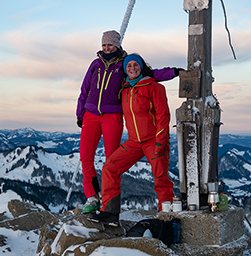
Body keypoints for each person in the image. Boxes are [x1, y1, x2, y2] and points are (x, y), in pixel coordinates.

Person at [76, 31, 181, 214]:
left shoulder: (131, 74)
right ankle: (100, 204)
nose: (107, 48)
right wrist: (80, 113)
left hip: (119, 121)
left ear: (117, 45)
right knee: (95, 161)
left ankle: (166, 213)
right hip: (97, 119)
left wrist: (174, 72)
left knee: (155, 174)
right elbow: (85, 88)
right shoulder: (99, 67)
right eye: (104, 45)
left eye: (110, 45)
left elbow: (152, 75)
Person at [88, 53, 175, 226]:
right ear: (125, 70)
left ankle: (167, 218)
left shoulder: (154, 87)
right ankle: (110, 212)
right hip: (134, 142)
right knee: (110, 167)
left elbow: (163, 115)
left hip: (153, 140)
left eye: (136, 65)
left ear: (141, 67)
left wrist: (161, 140)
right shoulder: (125, 88)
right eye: (129, 66)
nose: (132, 68)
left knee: (161, 178)